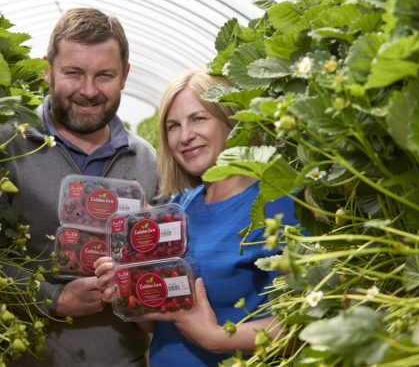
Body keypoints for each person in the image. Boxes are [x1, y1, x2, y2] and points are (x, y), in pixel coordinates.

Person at [0, 8, 159, 366]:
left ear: (125, 76)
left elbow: (163, 263)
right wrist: (51, 297)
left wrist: (130, 285)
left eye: (104, 75)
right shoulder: (3, 144)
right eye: (73, 73)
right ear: (48, 68)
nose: (88, 90)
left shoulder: (146, 161)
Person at [95, 70, 300, 366]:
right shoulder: (177, 209)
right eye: (173, 126)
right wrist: (125, 291)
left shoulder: (277, 203)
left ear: (230, 120)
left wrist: (217, 338)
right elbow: (158, 323)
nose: (185, 135)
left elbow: (301, 322)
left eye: (198, 118)